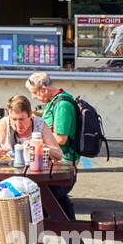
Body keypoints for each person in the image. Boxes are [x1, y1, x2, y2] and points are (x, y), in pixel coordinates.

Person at [25, 71, 78, 219]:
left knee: (34, 192)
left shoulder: (62, 105)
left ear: (44, 89)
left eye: (34, 92)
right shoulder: (52, 101)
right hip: (51, 161)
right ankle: (67, 224)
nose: (33, 96)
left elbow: (61, 139)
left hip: (62, 163)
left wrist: (34, 139)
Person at [0, 94, 63, 163]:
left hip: (34, 175)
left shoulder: (39, 124)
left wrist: (40, 146)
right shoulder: (4, 123)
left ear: (30, 115)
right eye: (14, 119)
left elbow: (58, 154)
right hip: (6, 174)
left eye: (21, 119)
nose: (18, 124)